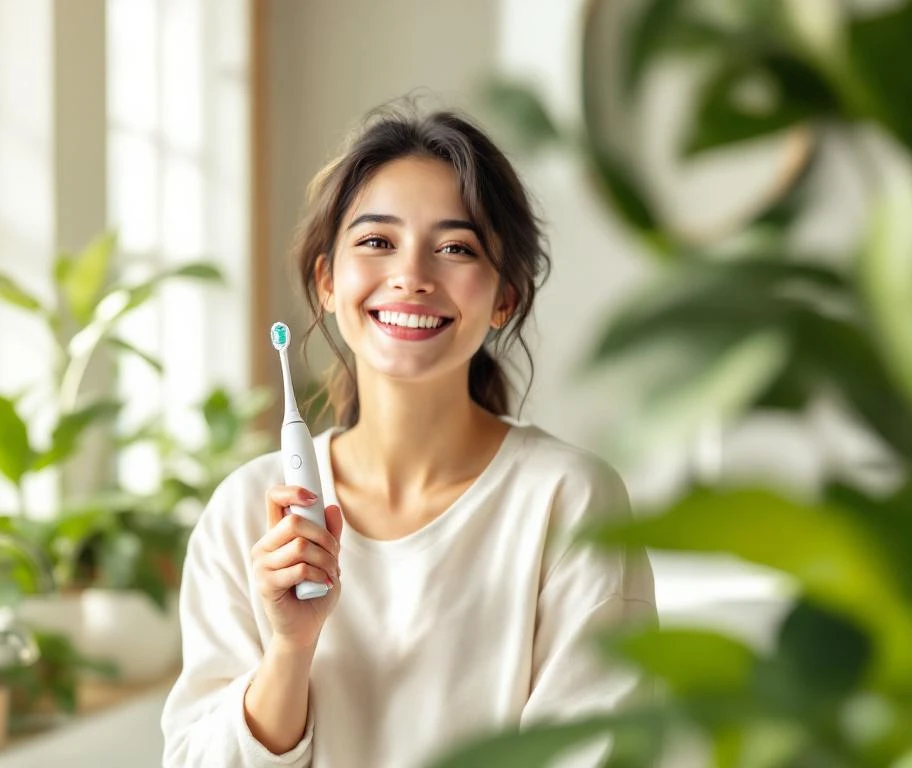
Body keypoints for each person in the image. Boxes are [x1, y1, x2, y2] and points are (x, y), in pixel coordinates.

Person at [161, 106, 656, 768]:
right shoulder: (246, 512)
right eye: (376, 242)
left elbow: (592, 752)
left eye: (456, 248)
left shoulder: (569, 500)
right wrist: (289, 650)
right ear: (328, 281)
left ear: (504, 296)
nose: (412, 276)